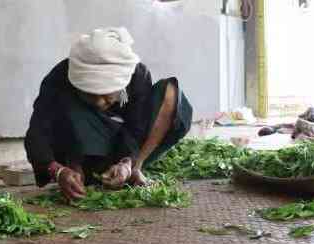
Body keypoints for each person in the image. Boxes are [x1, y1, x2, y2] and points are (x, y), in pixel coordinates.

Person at [24, 27, 193, 200]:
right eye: (90, 94)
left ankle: (134, 169)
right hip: (80, 151)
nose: (99, 102)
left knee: (170, 93)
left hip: (123, 147)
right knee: (66, 103)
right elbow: (37, 133)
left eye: (106, 95)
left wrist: (127, 162)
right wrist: (58, 170)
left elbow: (137, 128)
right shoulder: (60, 77)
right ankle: (79, 170)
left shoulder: (137, 76)